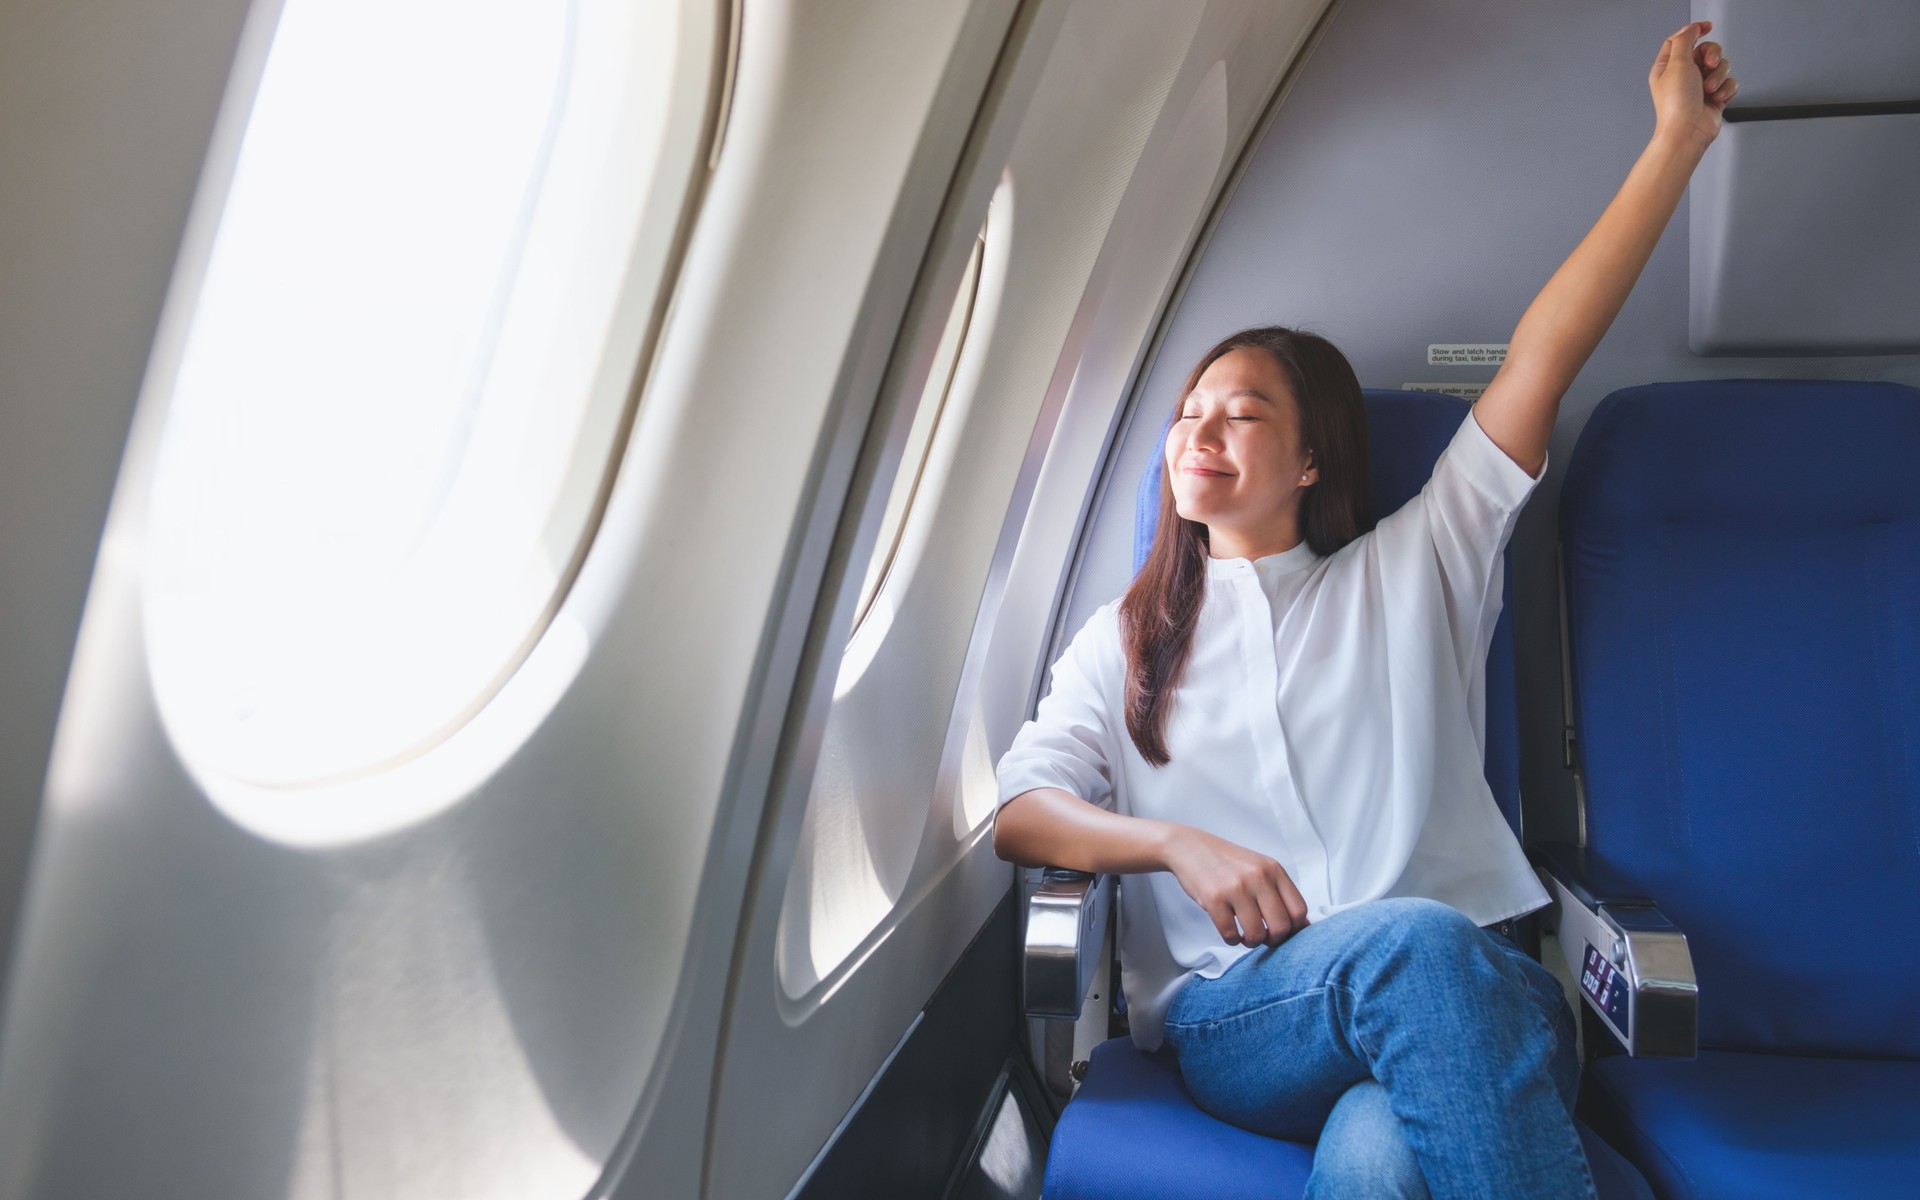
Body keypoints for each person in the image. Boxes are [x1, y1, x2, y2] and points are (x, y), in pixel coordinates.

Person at [993, 22, 1738, 1200]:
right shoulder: (1129, 643)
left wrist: (1674, 147)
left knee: (1378, 1157)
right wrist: (1174, 843)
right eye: (1189, 411)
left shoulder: (1419, 568)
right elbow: (1022, 812)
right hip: (1252, 1022)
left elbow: (1544, 353)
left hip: (1476, 994)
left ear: (1308, 461)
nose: (1199, 430)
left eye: (1238, 413)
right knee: (1413, 948)